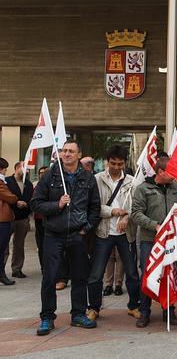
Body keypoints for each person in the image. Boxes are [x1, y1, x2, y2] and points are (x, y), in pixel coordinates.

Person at [31, 140, 101, 335]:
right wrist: (57, 205)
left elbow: (95, 208)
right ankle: (47, 317)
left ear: (79, 155)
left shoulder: (88, 178)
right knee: (50, 277)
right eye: (64, 151)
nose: (67, 154)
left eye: (71, 151)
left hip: (77, 235)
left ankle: (78, 314)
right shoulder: (50, 175)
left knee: (80, 276)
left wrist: (85, 229)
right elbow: (36, 204)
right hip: (53, 234)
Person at [131, 156, 177, 328]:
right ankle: (144, 312)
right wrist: (154, 226)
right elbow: (135, 213)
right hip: (150, 240)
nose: (176, 175)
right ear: (160, 172)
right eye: (172, 171)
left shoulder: (176, 188)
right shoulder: (143, 188)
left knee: (170, 274)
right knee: (148, 275)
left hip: (171, 239)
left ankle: (169, 310)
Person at [86, 145, 141, 322]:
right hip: (103, 233)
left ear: (125, 163)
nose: (116, 167)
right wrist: (112, 211)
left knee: (132, 273)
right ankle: (94, 307)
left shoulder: (132, 181)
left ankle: (134, 305)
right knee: (96, 274)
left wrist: (127, 216)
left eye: (120, 163)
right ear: (106, 161)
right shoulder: (97, 179)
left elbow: (137, 206)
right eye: (113, 163)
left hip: (126, 234)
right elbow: (92, 207)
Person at [5, 161, 33, 278]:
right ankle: (1, 270)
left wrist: (27, 206)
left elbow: (31, 199)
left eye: (28, 169)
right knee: (4, 245)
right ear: (17, 168)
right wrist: (16, 203)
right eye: (24, 168)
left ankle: (17, 269)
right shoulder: (7, 181)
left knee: (19, 245)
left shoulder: (29, 184)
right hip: (8, 217)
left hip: (22, 219)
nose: (27, 171)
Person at [0, 158, 18, 285]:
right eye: (5, 168)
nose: (6, 171)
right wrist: (15, 197)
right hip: (2, 219)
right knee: (1, 248)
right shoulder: (1, 182)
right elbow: (10, 197)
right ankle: (1, 274)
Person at [33, 166, 48, 271]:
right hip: (39, 219)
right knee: (41, 244)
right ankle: (44, 267)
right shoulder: (36, 186)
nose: (42, 174)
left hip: (51, 219)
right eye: (40, 172)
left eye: (44, 172)